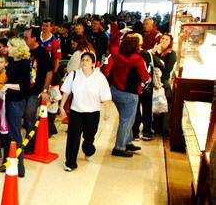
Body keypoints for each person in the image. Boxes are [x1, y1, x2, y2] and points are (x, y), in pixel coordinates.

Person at [60, 52, 112, 171]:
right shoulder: (73, 75)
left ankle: (88, 149)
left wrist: (107, 111)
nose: (84, 62)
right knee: (73, 138)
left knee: (89, 137)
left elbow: (106, 95)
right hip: (76, 112)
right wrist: (62, 106)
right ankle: (70, 163)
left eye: (87, 60)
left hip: (93, 113)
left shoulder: (99, 77)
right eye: (83, 60)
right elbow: (66, 91)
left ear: (93, 63)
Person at [103, 28, 150, 157]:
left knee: (126, 119)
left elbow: (112, 44)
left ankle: (127, 142)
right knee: (127, 121)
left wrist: (119, 32)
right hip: (130, 94)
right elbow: (145, 77)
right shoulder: (138, 60)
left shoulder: (117, 55)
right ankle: (119, 147)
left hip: (115, 91)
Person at [1, 37, 31, 177]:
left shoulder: (24, 64)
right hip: (10, 100)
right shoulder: (14, 61)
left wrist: (7, 86)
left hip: (16, 102)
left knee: (15, 133)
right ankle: (9, 161)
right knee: (8, 133)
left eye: (9, 46)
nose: (7, 49)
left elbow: (23, 86)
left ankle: (19, 165)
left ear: (16, 47)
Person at [23, 27, 53, 154]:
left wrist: (45, 90)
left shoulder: (43, 53)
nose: (24, 40)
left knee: (30, 115)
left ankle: (31, 143)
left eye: (26, 37)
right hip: (22, 90)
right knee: (25, 116)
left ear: (34, 38)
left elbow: (49, 72)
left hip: (35, 90)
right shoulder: (22, 52)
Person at [152, 34, 176, 134]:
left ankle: (159, 128)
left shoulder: (171, 54)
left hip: (162, 82)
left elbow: (167, 70)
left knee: (160, 105)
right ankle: (153, 125)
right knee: (153, 105)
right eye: (162, 38)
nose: (164, 41)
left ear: (170, 42)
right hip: (153, 80)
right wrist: (154, 52)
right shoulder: (156, 51)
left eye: (167, 39)